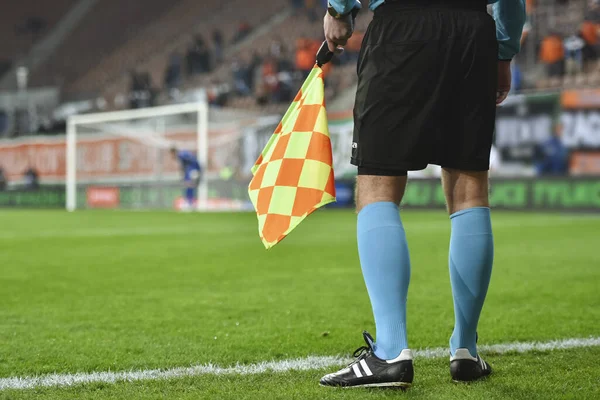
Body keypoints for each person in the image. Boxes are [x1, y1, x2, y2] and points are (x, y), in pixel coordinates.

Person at [320, 0, 525, 389]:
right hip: (471, 31)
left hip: (403, 28)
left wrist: (340, 10)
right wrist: (503, 49)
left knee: (377, 186)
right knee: (469, 190)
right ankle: (465, 349)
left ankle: (391, 351)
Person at [170, 146, 201, 210]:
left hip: (192, 171)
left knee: (189, 186)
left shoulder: (181, 155)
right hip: (193, 171)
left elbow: (190, 162)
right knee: (190, 186)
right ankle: (190, 202)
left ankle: (189, 203)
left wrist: (194, 170)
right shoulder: (183, 154)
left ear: (173, 152)